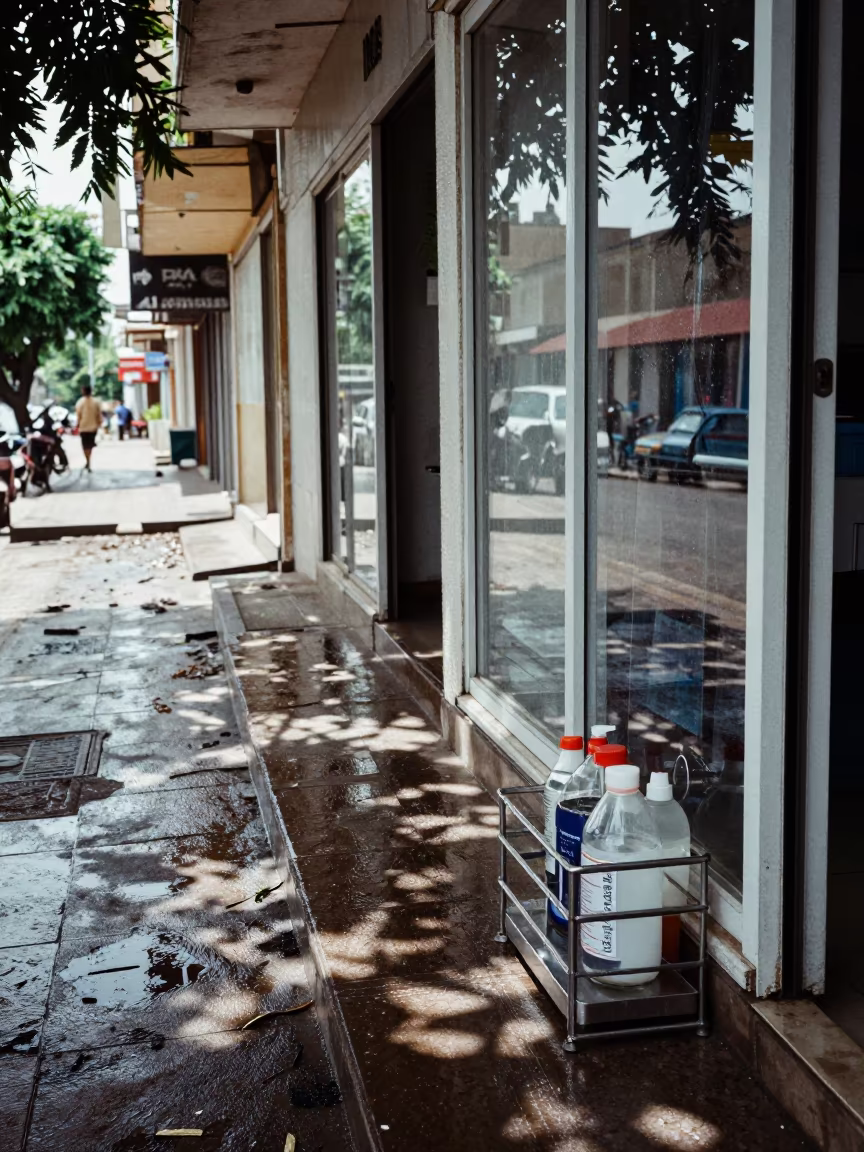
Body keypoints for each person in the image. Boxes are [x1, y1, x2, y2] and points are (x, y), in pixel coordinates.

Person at [75, 384, 102, 472]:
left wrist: (77, 425)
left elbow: (78, 416)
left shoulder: (80, 402)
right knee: (89, 446)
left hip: (84, 428)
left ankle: (88, 461)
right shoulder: (96, 402)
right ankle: (88, 461)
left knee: (85, 446)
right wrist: (99, 424)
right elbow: (99, 415)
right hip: (93, 428)